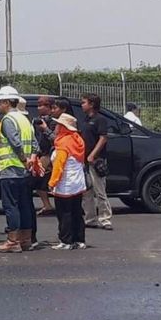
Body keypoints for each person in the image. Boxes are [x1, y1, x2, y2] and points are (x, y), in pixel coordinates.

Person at [0, 86, 39, 253]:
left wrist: (23, 158)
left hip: (11, 168)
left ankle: (13, 241)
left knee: (11, 205)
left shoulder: (8, 120)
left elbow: (15, 143)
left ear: (6, 102)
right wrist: (31, 159)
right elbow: (35, 144)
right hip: (25, 171)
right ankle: (26, 239)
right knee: (25, 205)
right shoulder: (24, 119)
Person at [48, 113, 87, 250]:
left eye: (58, 125)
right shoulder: (77, 140)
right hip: (78, 181)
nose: (55, 127)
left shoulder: (63, 143)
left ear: (63, 127)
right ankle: (79, 239)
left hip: (66, 183)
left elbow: (59, 165)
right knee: (77, 211)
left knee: (64, 212)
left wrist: (52, 182)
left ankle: (66, 240)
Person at [81, 93, 113, 230]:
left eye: (84, 102)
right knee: (87, 191)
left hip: (96, 160)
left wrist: (93, 154)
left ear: (92, 104)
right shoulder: (86, 119)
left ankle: (105, 219)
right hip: (84, 160)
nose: (82, 105)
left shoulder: (100, 120)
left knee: (99, 190)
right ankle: (90, 218)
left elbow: (103, 137)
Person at [34, 96, 56, 217]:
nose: (39, 108)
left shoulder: (54, 122)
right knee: (38, 181)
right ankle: (47, 204)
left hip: (50, 154)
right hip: (40, 154)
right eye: (38, 105)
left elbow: (55, 139)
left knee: (45, 180)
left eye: (42, 105)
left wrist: (45, 128)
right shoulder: (37, 121)